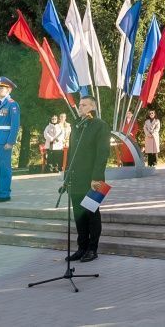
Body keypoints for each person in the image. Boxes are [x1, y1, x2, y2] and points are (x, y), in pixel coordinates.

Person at [64, 96, 110, 263]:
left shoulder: (100, 126)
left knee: (91, 213)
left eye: (84, 105)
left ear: (92, 107)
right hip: (76, 178)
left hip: (93, 179)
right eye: (80, 105)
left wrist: (96, 177)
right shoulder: (77, 125)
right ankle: (81, 248)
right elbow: (71, 153)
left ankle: (92, 249)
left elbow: (102, 153)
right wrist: (67, 175)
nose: (80, 107)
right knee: (79, 215)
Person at [0, 77, 20, 203]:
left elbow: (15, 125)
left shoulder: (12, 104)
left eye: (2, 88)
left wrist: (10, 142)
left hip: (4, 140)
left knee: (4, 168)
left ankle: (5, 194)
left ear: (9, 90)